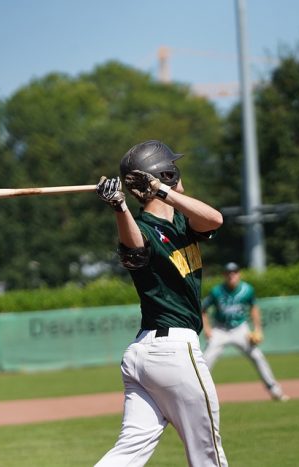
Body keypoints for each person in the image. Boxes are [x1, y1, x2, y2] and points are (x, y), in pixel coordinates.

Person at [94, 140, 228, 467]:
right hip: (173, 354)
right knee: (207, 454)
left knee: (129, 452)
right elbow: (135, 249)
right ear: (168, 173)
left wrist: (162, 192)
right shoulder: (142, 229)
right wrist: (119, 207)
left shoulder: (184, 224)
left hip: (145, 356)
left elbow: (215, 219)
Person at [201, 262, 289, 402]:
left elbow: (254, 308)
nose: (231, 275)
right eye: (228, 273)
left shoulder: (247, 290)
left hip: (240, 329)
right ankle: (199, 393)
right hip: (220, 329)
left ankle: (274, 390)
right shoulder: (216, 291)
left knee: (257, 356)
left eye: (234, 272)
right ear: (224, 275)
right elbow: (203, 309)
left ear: (239, 274)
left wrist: (257, 329)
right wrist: (207, 328)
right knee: (206, 359)